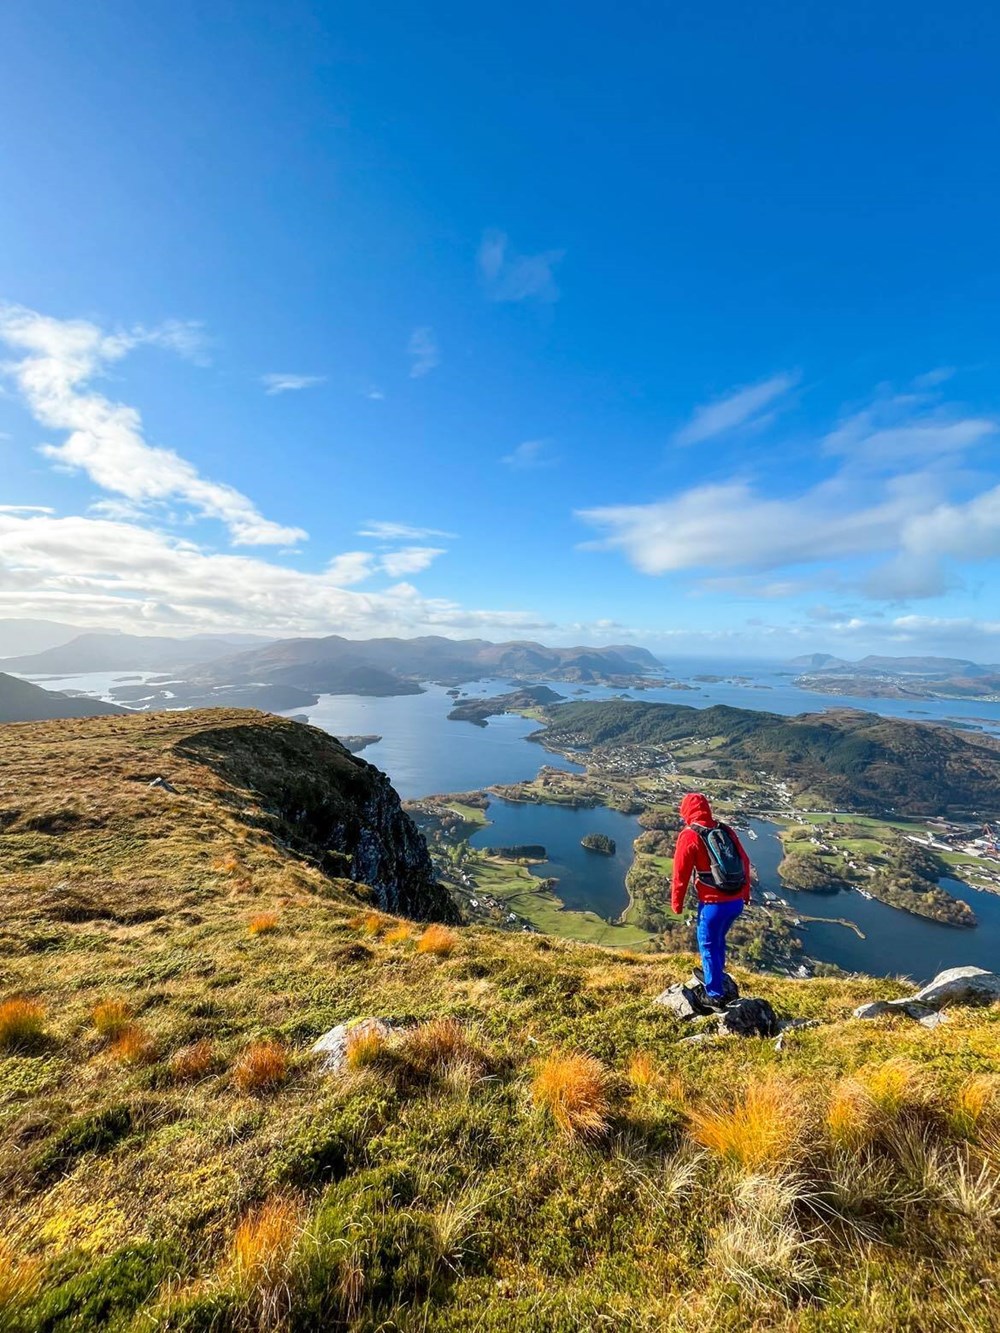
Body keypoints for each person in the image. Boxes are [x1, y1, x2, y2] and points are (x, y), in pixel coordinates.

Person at [670, 792, 751, 1009]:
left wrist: (676, 903)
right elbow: (745, 860)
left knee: (707, 944)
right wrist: (746, 893)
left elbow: (681, 874)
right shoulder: (724, 829)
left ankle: (714, 994)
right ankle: (713, 974)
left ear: (686, 811)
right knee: (718, 941)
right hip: (735, 902)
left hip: (713, 904)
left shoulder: (690, 835)